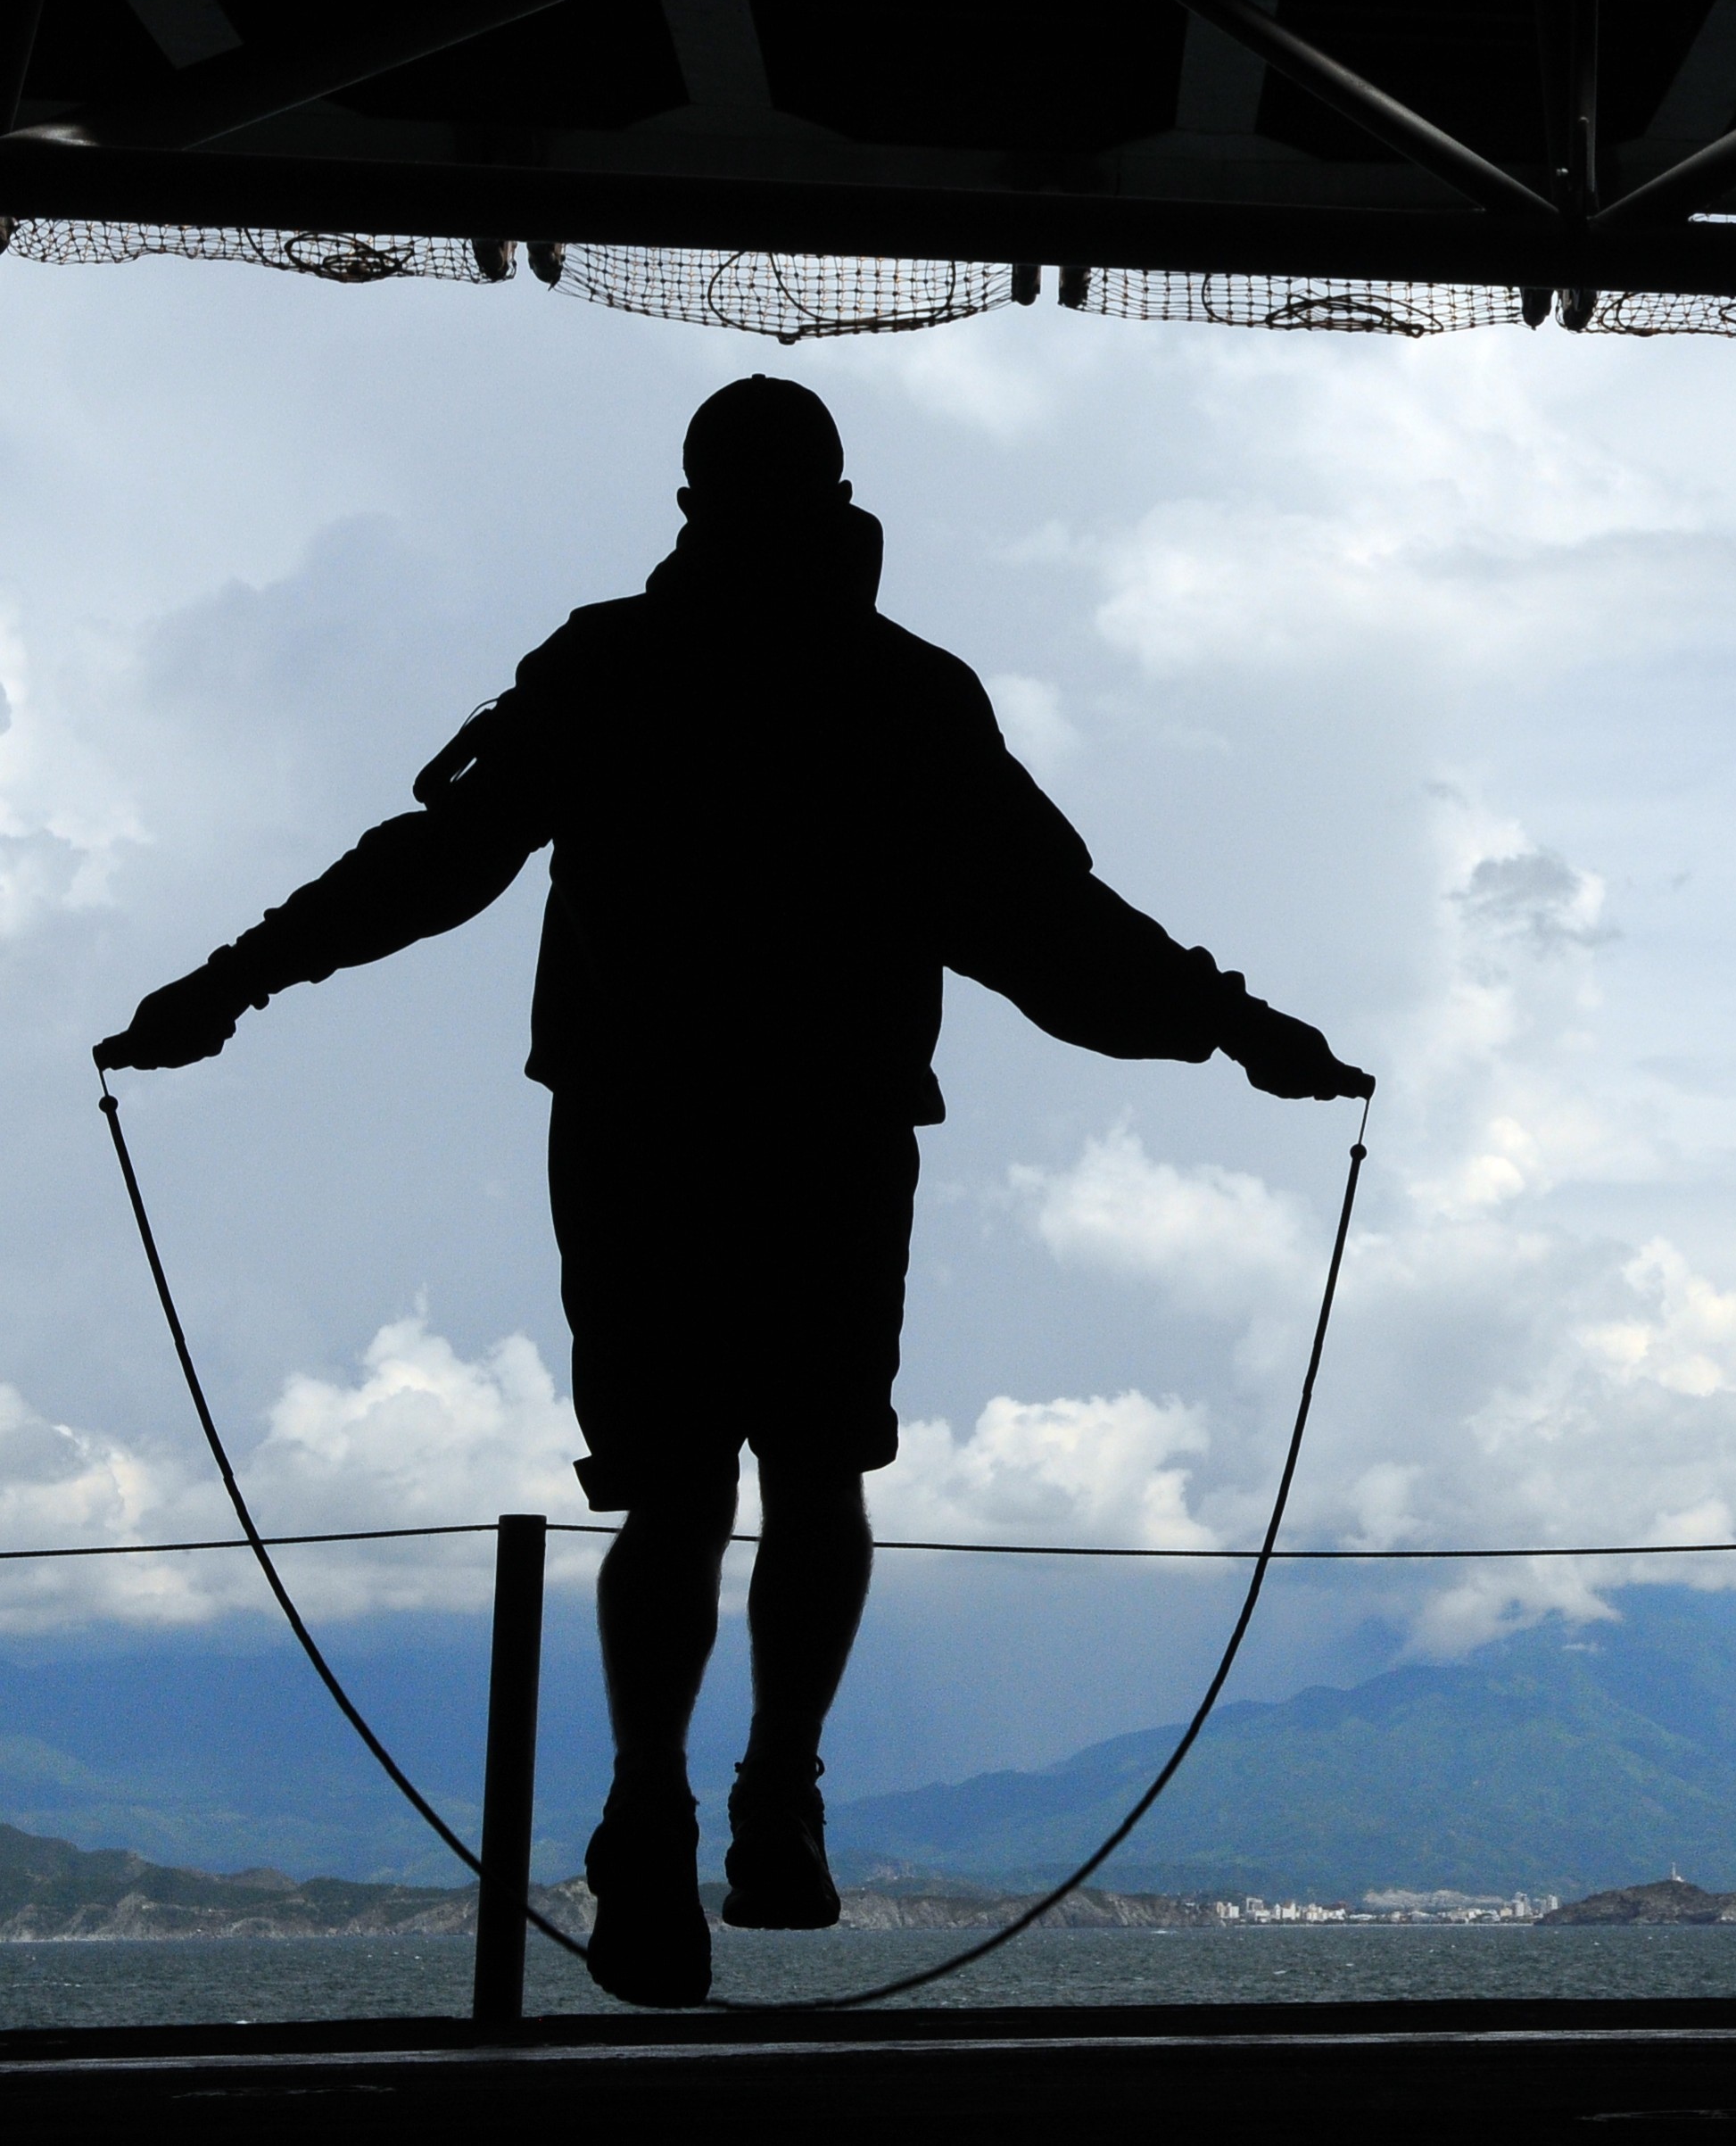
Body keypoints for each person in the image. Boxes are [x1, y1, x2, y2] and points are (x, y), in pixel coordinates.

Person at [92, 377, 1368, 2009]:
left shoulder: (614, 666)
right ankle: (776, 1794)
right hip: (828, 1137)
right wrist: (1237, 1024)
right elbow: (1054, 919)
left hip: (644, 1135)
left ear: (691, 500)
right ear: (838, 496)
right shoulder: (902, 689)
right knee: (815, 1472)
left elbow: (432, 862)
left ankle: (656, 1808)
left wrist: (231, 982)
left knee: (678, 1489)